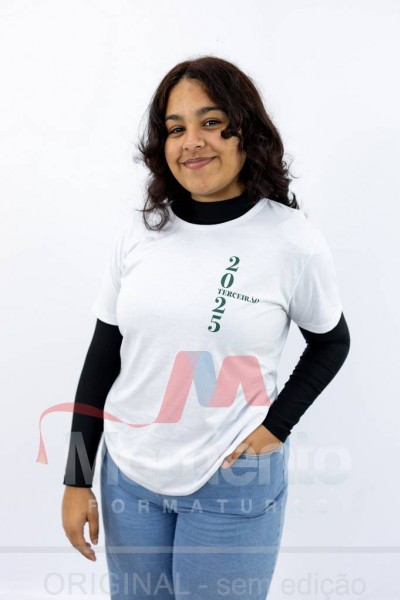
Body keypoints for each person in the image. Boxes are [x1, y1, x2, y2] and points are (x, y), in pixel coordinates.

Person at [61, 56, 351, 599]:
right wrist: (76, 478)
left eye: (212, 122)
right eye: (176, 129)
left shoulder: (291, 240)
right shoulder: (141, 233)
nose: (192, 142)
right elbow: (102, 359)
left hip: (232, 480)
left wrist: (275, 428)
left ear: (247, 132)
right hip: (130, 479)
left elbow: (331, 342)